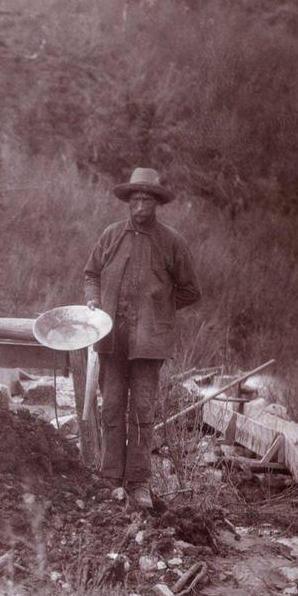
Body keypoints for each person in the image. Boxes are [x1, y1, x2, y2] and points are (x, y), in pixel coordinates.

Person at [83, 167, 200, 511]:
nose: (140, 206)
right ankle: (109, 477)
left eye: (147, 199)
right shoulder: (111, 235)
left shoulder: (172, 242)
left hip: (149, 345)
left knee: (142, 411)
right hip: (111, 339)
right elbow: (91, 273)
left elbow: (191, 290)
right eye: (135, 199)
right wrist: (93, 299)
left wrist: (160, 310)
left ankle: (138, 482)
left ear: (156, 203)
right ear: (128, 202)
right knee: (113, 406)